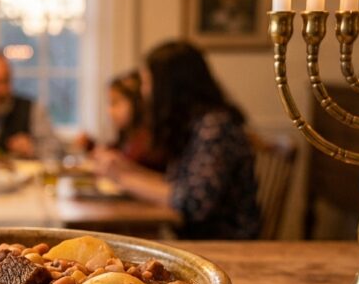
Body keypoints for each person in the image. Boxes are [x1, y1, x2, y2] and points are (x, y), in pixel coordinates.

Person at [96, 41, 261, 239]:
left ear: (169, 87)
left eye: (148, 83)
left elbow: (193, 203)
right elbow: (176, 184)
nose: (144, 92)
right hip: (195, 239)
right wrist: (126, 169)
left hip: (223, 243)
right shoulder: (196, 124)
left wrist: (121, 178)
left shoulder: (215, 127)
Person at [77, 70, 164, 171]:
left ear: (137, 102)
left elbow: (129, 164)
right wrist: (90, 146)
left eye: (115, 103)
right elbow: (115, 153)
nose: (109, 111)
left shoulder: (147, 140)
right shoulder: (128, 135)